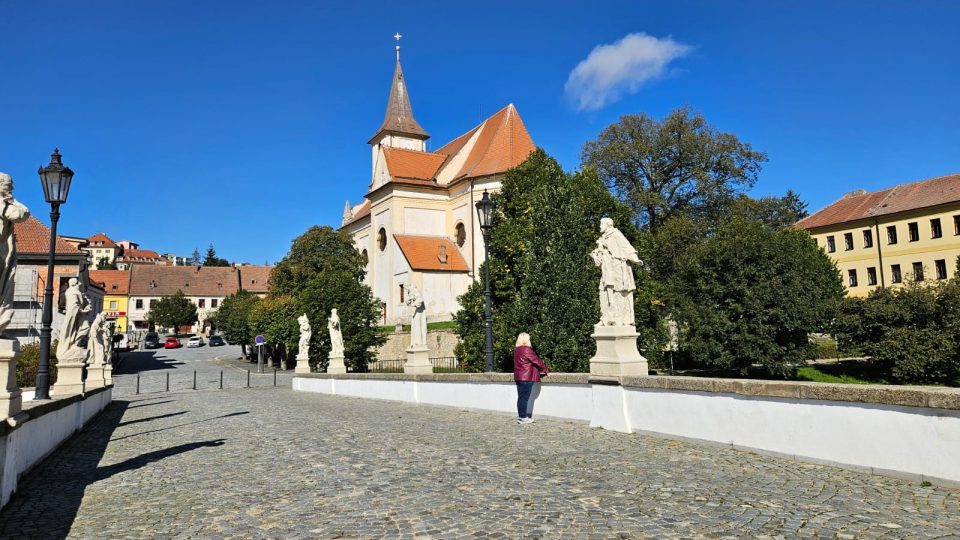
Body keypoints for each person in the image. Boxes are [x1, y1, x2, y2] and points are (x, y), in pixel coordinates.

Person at [513, 332, 549, 424]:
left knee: (521, 398)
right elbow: (536, 361)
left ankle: (521, 416)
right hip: (526, 377)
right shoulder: (526, 349)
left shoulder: (517, 350)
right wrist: (545, 369)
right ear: (526, 340)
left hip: (519, 376)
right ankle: (524, 417)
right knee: (524, 398)